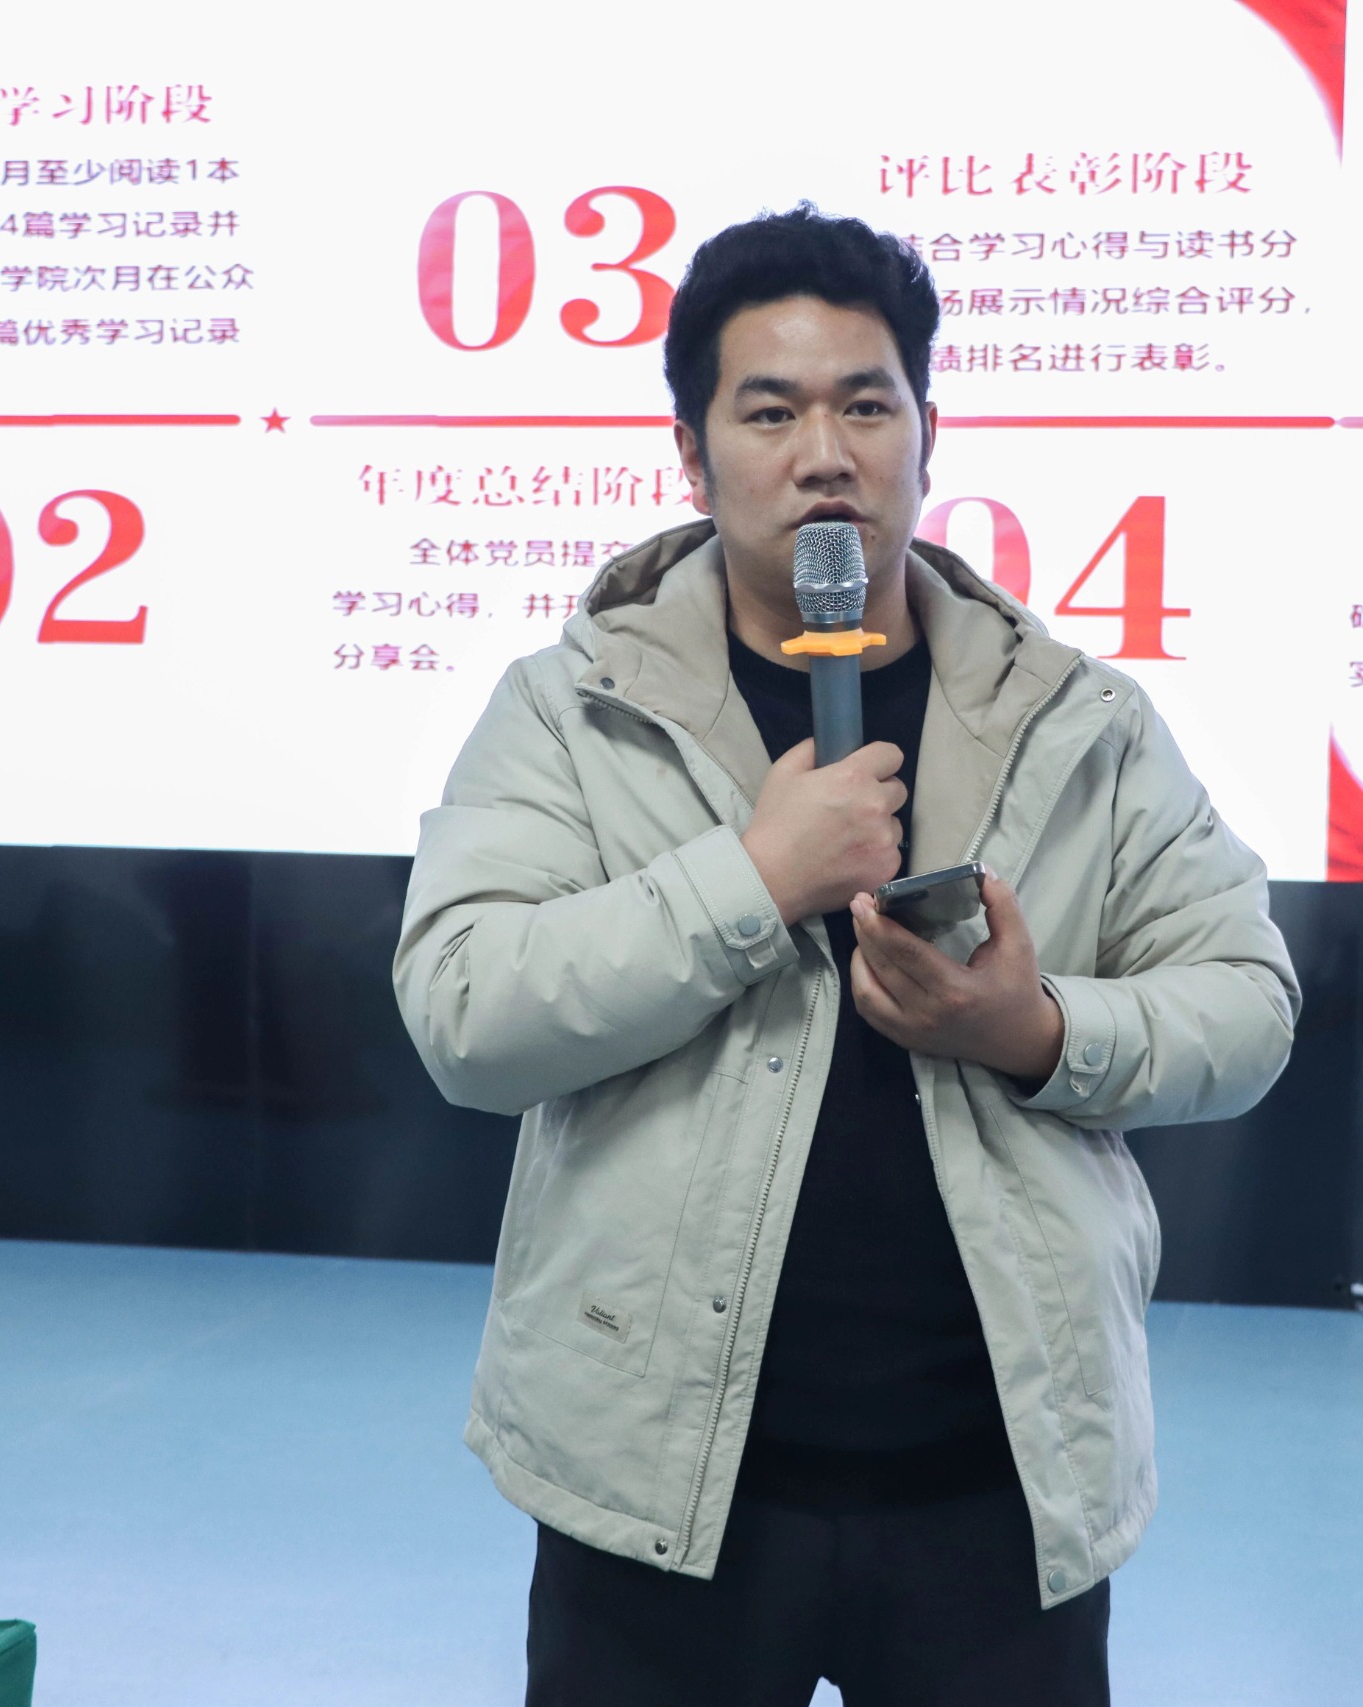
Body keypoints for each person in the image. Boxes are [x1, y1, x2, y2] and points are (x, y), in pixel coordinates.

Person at [392, 204, 1298, 1707]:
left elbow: (1247, 1003)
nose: (826, 453)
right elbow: (466, 1010)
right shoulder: (573, 707)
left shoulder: (1075, 717)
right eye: (771, 412)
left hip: (996, 1485)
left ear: (928, 439)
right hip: (660, 1489)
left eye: (867, 406)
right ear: (692, 459)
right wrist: (755, 879)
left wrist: (1033, 1029)